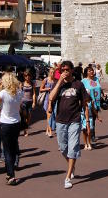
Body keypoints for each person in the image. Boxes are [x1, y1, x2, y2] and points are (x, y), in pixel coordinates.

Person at [49, 60, 90, 189]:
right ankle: (71, 166)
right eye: (62, 70)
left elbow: (85, 103)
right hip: (60, 120)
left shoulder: (78, 85)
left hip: (75, 120)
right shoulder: (58, 84)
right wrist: (59, 82)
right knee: (62, 148)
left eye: (67, 70)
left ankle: (67, 177)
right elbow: (51, 98)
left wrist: (87, 121)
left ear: (72, 70)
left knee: (73, 148)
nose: (65, 72)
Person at [0, 72, 24, 186]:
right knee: (13, 145)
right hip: (16, 122)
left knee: (7, 149)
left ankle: (11, 174)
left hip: (6, 123)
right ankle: (9, 170)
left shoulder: (3, 93)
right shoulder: (19, 92)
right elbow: (20, 106)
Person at [81, 65, 102, 150]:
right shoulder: (83, 81)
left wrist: (103, 94)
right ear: (86, 72)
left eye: (92, 71)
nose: (91, 72)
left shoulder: (96, 79)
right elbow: (81, 91)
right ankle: (90, 137)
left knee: (93, 120)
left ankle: (91, 135)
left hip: (96, 102)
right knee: (89, 120)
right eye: (89, 71)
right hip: (88, 103)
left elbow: (99, 88)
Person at [40, 67, 56, 137]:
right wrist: (47, 89)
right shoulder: (45, 80)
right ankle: (50, 131)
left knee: (51, 115)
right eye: (51, 72)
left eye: (53, 72)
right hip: (47, 99)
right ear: (49, 73)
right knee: (49, 115)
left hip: (54, 100)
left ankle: (47, 129)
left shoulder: (55, 81)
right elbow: (40, 89)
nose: (52, 74)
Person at [20, 69, 36, 136]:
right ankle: (24, 129)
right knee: (24, 116)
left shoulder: (32, 84)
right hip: (23, 102)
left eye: (28, 75)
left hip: (30, 102)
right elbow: (19, 94)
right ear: (24, 76)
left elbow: (34, 93)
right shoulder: (22, 84)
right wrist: (19, 102)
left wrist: (34, 102)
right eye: (26, 76)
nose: (27, 77)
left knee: (29, 116)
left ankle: (25, 129)